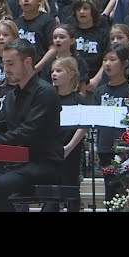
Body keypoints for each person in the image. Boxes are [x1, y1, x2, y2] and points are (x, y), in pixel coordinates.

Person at [0, 39, 63, 212]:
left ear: (27, 62)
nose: (5, 69)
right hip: (15, 164)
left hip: (42, 163)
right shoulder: (12, 95)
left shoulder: (46, 92)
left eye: (10, 63)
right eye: (4, 64)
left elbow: (27, 132)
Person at [92, 43, 129, 202]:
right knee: (110, 192)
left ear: (124, 64)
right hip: (105, 148)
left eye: (112, 60)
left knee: (126, 191)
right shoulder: (100, 92)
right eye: (105, 60)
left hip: (126, 149)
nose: (107, 64)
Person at [48, 56, 86, 212]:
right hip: (51, 150)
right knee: (51, 191)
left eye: (58, 70)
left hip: (71, 150)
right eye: (52, 71)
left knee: (71, 189)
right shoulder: (49, 98)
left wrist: (69, 147)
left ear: (71, 74)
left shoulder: (79, 100)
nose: (54, 74)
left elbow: (83, 126)